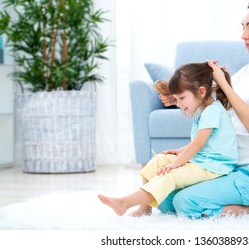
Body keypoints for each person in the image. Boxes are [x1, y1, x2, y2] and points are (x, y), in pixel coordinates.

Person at [154, 0, 249, 218]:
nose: (244, 35)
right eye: (243, 28)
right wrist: (178, 98)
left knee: (185, 202)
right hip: (229, 167)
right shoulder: (248, 72)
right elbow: (214, 111)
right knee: (164, 198)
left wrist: (224, 83)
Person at [98, 62, 238, 216]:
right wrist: (179, 152)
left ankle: (124, 203)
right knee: (159, 160)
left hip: (214, 167)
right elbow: (207, 143)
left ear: (202, 91)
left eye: (182, 98)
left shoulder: (213, 111)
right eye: (177, 99)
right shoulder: (202, 110)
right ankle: (145, 208)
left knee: (170, 175)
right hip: (204, 161)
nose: (179, 104)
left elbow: (198, 144)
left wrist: (175, 165)